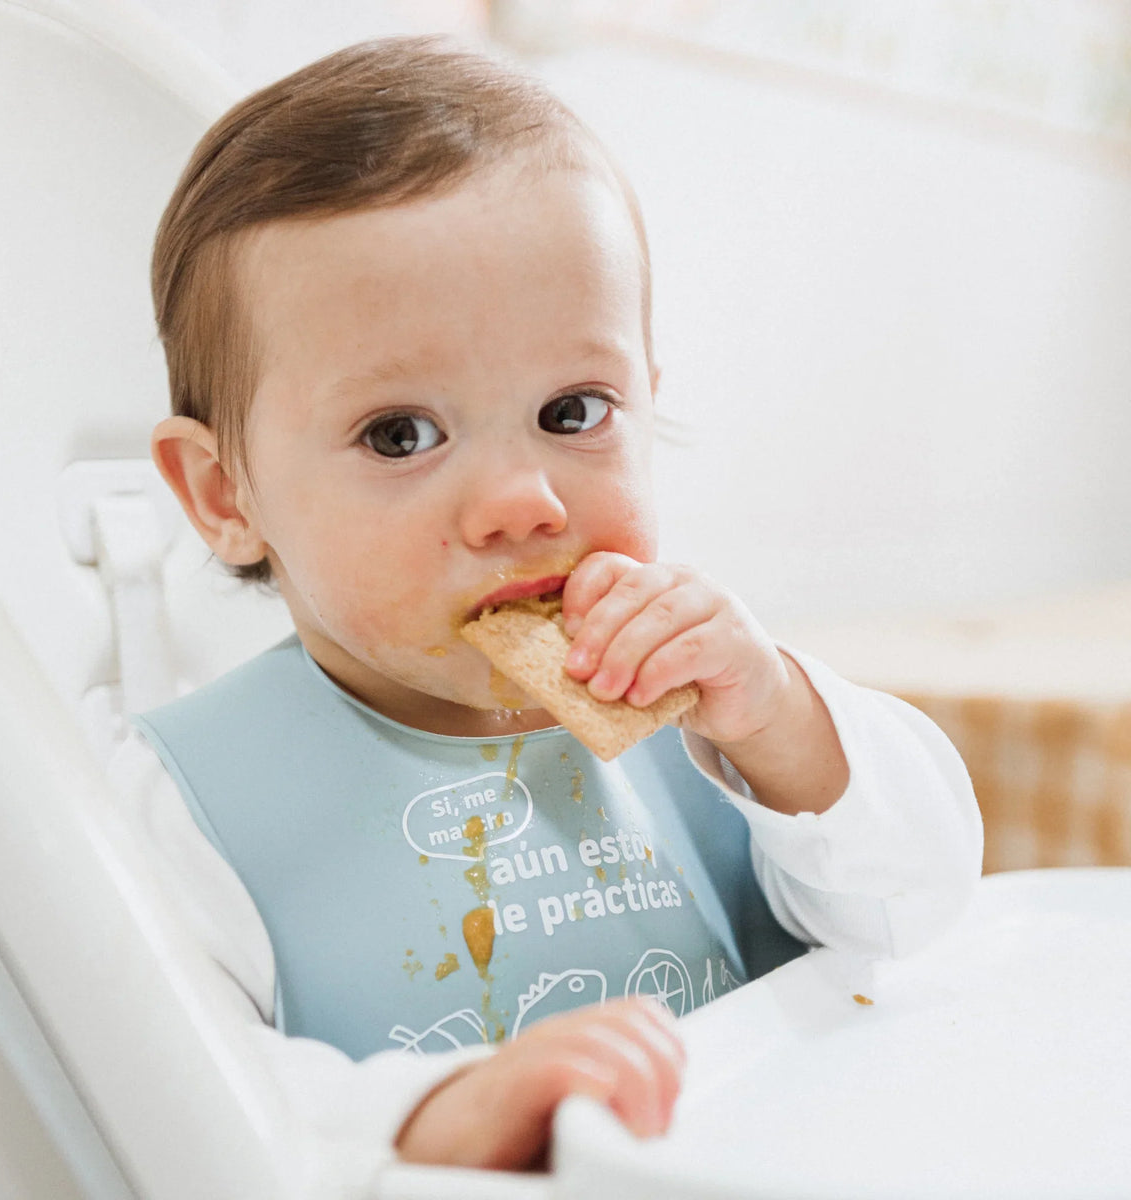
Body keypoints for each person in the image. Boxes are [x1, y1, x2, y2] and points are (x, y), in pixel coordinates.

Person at [107, 35, 982, 1182]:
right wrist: (440, 1109)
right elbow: (159, 1087)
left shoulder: (710, 711)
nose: (523, 502)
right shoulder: (181, 800)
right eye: (400, 434)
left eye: (573, 411)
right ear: (227, 496)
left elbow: (915, 915)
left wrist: (784, 722)